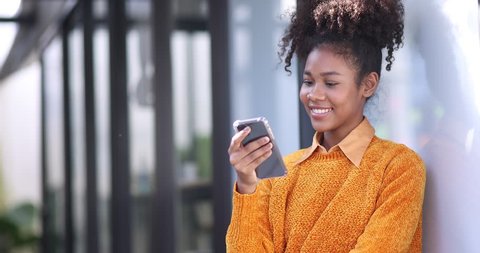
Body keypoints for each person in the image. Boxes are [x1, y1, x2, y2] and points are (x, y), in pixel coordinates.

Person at [226, 0, 426, 252]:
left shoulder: (398, 167)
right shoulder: (281, 173)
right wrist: (246, 183)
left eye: (330, 84)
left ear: (368, 84)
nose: (315, 95)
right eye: (308, 82)